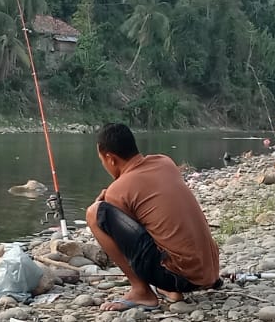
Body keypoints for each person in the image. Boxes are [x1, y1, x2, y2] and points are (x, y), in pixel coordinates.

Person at [86, 123, 221, 311]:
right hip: (210, 273)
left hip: (181, 278)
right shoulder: (164, 161)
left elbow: (118, 225)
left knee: (94, 213)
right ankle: (167, 288)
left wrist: (105, 203)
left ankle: (141, 291)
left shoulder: (118, 190)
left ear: (110, 158)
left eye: (102, 160)